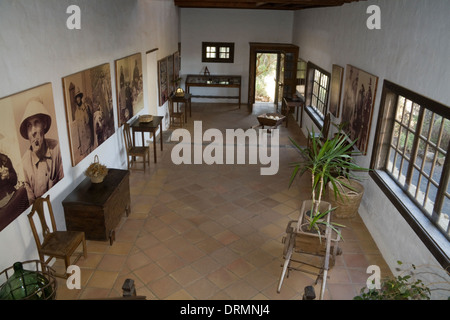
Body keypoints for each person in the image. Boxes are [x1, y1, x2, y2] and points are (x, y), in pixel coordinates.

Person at [19, 98, 64, 204]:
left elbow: (64, 185)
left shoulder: (56, 149)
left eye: (36, 123)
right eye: (29, 125)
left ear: (44, 124)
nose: (33, 131)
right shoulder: (25, 163)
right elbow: (31, 204)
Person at [74, 89, 93, 157]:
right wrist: (79, 142)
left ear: (80, 98)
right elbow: (77, 128)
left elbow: (89, 120)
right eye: (76, 98)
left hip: (87, 133)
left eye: (78, 97)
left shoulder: (86, 107)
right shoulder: (76, 112)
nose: (78, 99)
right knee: (85, 156)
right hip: (82, 137)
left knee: (90, 153)